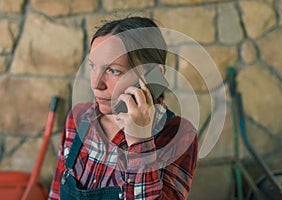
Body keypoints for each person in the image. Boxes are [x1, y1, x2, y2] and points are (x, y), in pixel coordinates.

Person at [49, 16, 198, 200]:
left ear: (153, 75)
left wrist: (140, 141)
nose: (96, 84)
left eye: (113, 71)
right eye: (93, 67)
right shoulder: (78, 117)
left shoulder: (178, 134)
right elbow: (56, 195)